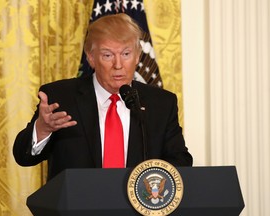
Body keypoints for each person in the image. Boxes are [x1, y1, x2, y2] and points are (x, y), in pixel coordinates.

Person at [13, 13, 193, 181]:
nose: (118, 65)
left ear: (137, 55)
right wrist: (42, 129)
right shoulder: (60, 97)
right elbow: (23, 157)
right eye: (107, 55)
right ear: (91, 57)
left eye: (126, 54)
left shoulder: (161, 103)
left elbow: (180, 162)